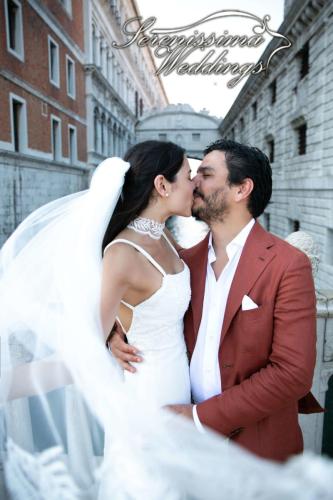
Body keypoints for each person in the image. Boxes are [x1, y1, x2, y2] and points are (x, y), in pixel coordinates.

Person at [110, 139, 323, 462]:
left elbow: (292, 373)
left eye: (206, 175)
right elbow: (153, 312)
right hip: (183, 447)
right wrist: (115, 333)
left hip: (256, 451)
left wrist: (199, 418)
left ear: (241, 189)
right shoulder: (182, 263)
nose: (193, 182)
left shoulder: (288, 264)